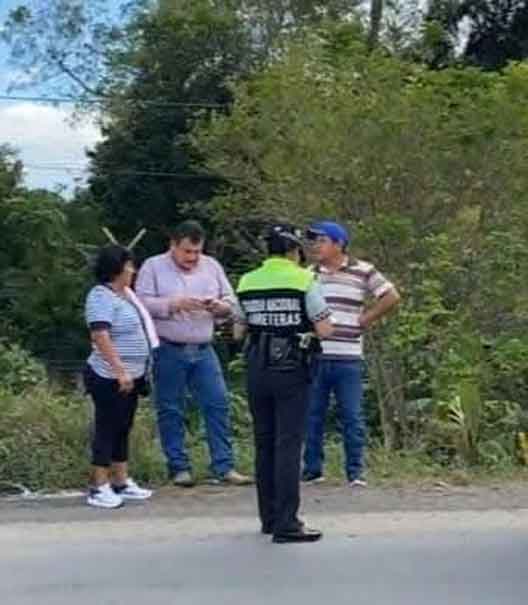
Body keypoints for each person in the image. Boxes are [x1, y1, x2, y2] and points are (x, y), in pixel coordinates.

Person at [234, 223, 334, 544]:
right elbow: (325, 329)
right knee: (288, 444)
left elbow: (238, 331)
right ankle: (288, 523)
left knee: (264, 443)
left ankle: (269, 518)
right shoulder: (304, 279)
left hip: (256, 368)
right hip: (290, 368)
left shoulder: (247, 281)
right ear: (294, 251)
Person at [135, 220, 251, 487]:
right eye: (187, 252)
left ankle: (224, 466)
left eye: (197, 252)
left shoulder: (212, 266)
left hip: (203, 347)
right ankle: (179, 467)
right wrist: (173, 305)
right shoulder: (153, 266)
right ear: (173, 246)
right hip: (168, 347)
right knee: (170, 408)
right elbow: (140, 303)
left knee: (218, 403)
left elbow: (232, 303)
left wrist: (218, 307)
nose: (193, 258)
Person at [302, 221, 401, 486]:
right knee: (312, 414)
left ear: (339, 244)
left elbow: (390, 295)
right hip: (317, 353)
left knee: (352, 416)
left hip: (348, 355)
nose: (315, 246)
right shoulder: (309, 273)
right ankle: (313, 470)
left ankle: (355, 472)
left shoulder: (362, 270)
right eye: (314, 241)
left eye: (321, 241)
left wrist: (366, 318)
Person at [84, 245, 157, 509]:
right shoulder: (100, 296)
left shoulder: (126, 296)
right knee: (106, 427)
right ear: (116, 268)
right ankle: (98, 485)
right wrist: (119, 370)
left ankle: (121, 481)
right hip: (109, 375)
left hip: (133, 375)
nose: (132, 270)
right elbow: (101, 335)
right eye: (128, 266)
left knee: (123, 427)